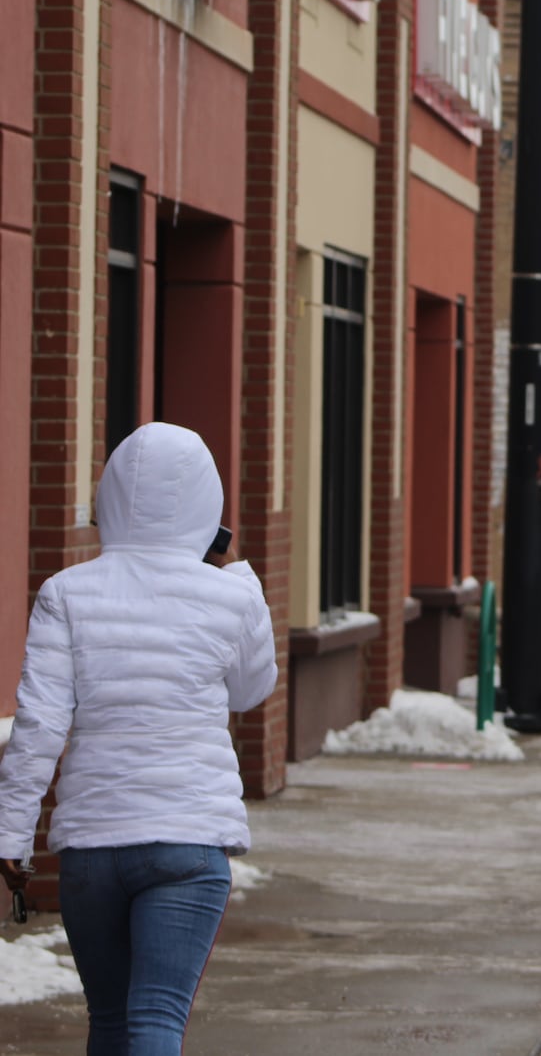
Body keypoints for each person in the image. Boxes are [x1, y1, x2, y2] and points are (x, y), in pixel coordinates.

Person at [0, 422, 277, 1055]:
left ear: (111, 497)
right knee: (156, 1020)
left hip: (93, 848)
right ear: (208, 505)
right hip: (188, 843)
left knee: (111, 1022)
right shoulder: (228, 597)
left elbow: (40, 724)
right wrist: (244, 587)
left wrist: (11, 835)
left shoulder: (66, 593)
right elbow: (251, 690)